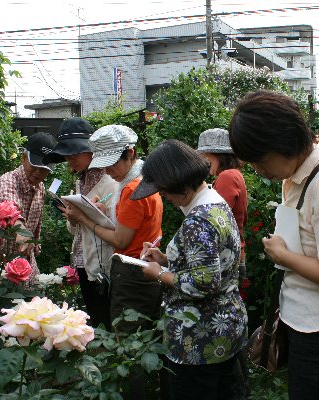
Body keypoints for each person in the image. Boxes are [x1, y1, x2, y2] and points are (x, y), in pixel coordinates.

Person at [228, 90, 319, 400]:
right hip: (309, 323)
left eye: (261, 160)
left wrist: (284, 255)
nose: (258, 170)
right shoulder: (298, 172)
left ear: (285, 143)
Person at [131, 139, 248, 400]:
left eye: (164, 190)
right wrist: (165, 259)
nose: (164, 196)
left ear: (179, 184)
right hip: (225, 328)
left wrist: (158, 274)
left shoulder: (198, 221)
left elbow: (204, 283)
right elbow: (213, 260)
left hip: (199, 337)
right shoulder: (215, 203)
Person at [62, 124, 163, 400]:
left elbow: (119, 240)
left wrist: (84, 218)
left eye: (111, 164)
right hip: (146, 267)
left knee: (128, 348)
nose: (107, 171)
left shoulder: (132, 189)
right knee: (143, 343)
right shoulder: (144, 182)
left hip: (131, 271)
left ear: (130, 153)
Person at [43, 117, 118, 329]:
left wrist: (89, 215)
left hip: (103, 262)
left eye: (76, 153)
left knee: (106, 318)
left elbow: (117, 228)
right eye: (68, 154)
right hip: (82, 259)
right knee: (96, 318)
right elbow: (76, 230)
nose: (71, 159)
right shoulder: (81, 181)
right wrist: (72, 218)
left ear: (93, 152)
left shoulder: (109, 181)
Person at [0, 132, 57, 281]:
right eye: (35, 166)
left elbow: (37, 224)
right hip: (1, 264)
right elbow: (10, 207)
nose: (39, 173)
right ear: (23, 158)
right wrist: (21, 232)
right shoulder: (7, 181)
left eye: (45, 169)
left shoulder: (40, 188)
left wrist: (35, 244)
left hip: (26, 262)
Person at [196, 128, 248, 283]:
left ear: (218, 154)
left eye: (205, 155)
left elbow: (213, 216)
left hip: (226, 254)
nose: (203, 160)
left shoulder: (227, 176)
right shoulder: (232, 174)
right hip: (232, 251)